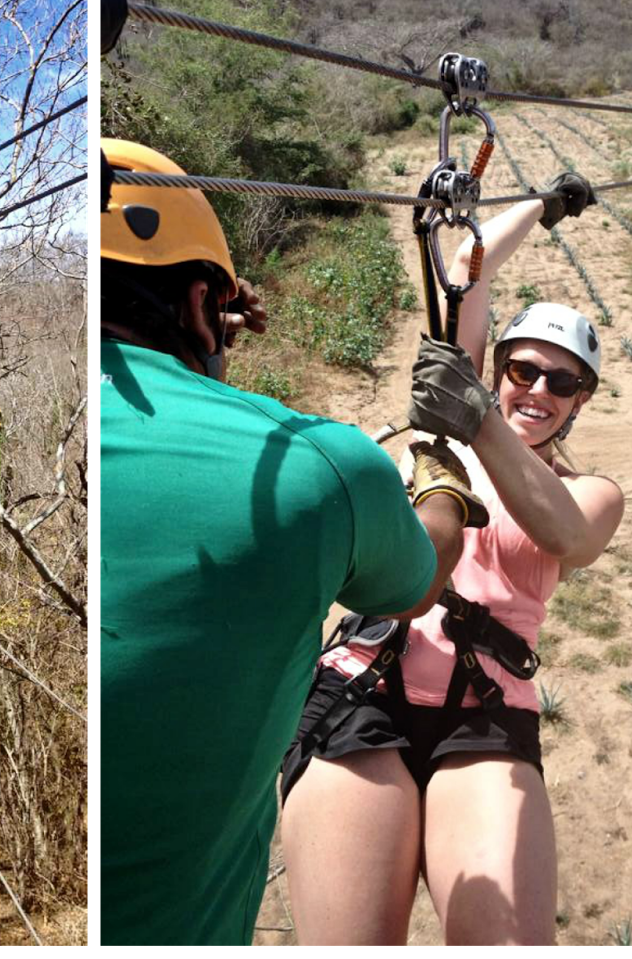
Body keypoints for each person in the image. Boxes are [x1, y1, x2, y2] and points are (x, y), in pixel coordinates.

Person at [98, 138, 491, 945]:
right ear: (204, 303)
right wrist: (445, 483)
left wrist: (204, 341)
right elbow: (416, 578)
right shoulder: (319, 470)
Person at [278, 172, 625, 945]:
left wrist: (477, 417)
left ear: (581, 399)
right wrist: (545, 205)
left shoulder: (590, 493)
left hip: (486, 720)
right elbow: (467, 262)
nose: (536, 389)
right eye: (520, 371)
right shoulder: (449, 443)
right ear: (496, 370)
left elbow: (564, 533)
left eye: (560, 381)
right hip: (363, 687)